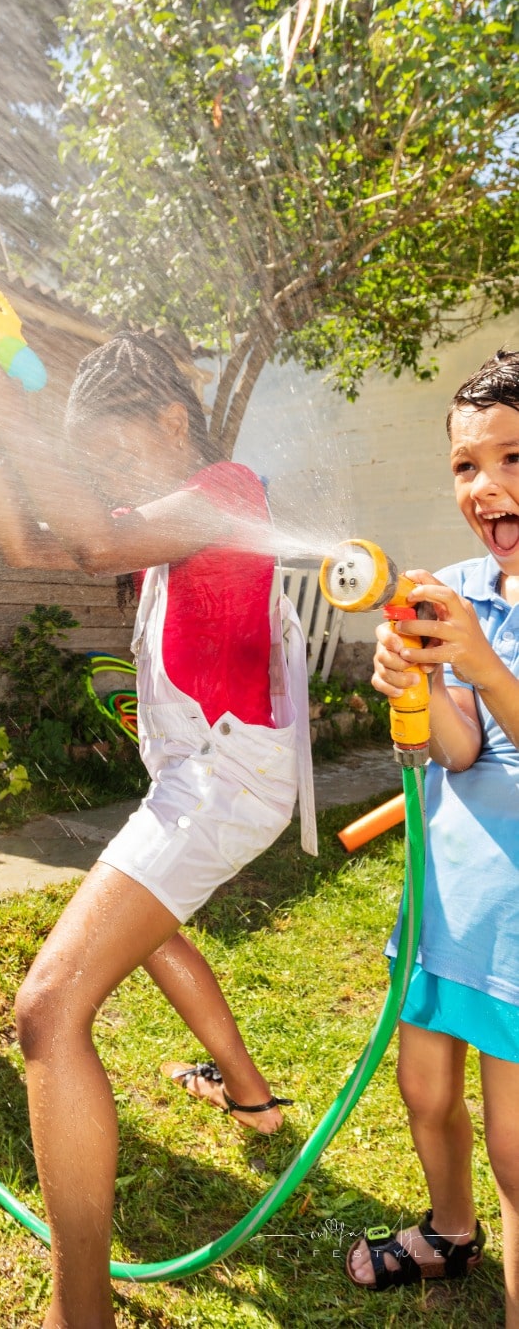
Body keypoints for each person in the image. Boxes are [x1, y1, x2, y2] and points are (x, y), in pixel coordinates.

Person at [0, 330, 317, 1329]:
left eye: (117, 455)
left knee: (46, 1013)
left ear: (169, 421)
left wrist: (17, 420)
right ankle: (250, 1095)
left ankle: (81, 1319)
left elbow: (95, 541)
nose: (109, 479)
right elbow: (36, 546)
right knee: (151, 936)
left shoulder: (225, 491)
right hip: (198, 783)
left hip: (224, 783)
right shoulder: (175, 519)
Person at [345, 349, 519, 1328]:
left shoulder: (484, 617)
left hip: (517, 934)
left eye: (512, 458)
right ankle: (449, 1231)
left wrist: (485, 664)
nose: (485, 485)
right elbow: (460, 753)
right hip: (444, 900)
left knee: (516, 1153)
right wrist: (416, 691)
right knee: (422, 1090)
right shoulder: (453, 586)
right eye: (464, 466)